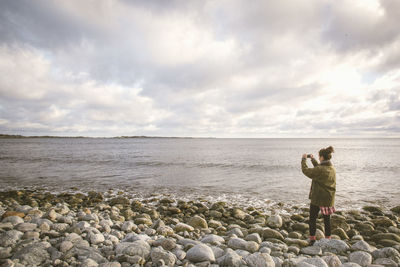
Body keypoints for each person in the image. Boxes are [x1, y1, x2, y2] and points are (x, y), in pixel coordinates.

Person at [301, 146, 336, 245]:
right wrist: (313, 159)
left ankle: (312, 239)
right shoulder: (331, 168)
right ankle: (328, 239)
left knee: (312, 219)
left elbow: (306, 171)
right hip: (328, 198)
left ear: (322, 157)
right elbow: (319, 168)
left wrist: (304, 159)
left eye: (318, 156)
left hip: (318, 198)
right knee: (327, 220)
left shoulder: (320, 169)